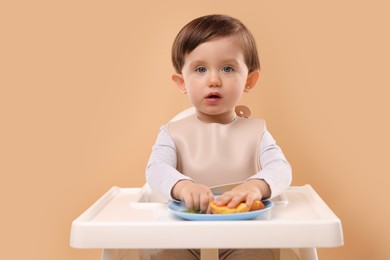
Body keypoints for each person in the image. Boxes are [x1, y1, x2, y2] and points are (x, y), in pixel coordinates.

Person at [145, 14, 292, 260]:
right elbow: (156, 169)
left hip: (244, 234)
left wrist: (256, 186)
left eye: (227, 68)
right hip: (182, 233)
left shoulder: (257, 132)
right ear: (182, 82)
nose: (214, 80)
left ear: (249, 80)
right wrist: (182, 186)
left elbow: (281, 168)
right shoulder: (171, 133)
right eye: (200, 69)